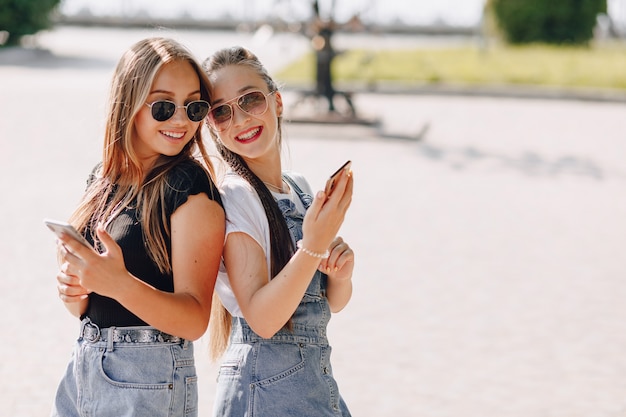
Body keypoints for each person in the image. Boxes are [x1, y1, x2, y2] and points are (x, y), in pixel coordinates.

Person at [51, 37, 225, 417]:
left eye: (194, 107)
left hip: (150, 381)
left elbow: (195, 319)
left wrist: (117, 283)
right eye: (164, 106)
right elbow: (93, 304)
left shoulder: (189, 187)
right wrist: (76, 291)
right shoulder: (103, 179)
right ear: (128, 103)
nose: (181, 120)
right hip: (83, 371)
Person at [202, 46, 355, 417]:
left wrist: (341, 273)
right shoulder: (236, 195)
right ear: (211, 127)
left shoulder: (298, 188)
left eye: (250, 100)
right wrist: (313, 247)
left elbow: (326, 305)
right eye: (221, 111)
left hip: (312, 381)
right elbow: (264, 319)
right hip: (266, 387)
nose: (239, 118)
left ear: (278, 102)